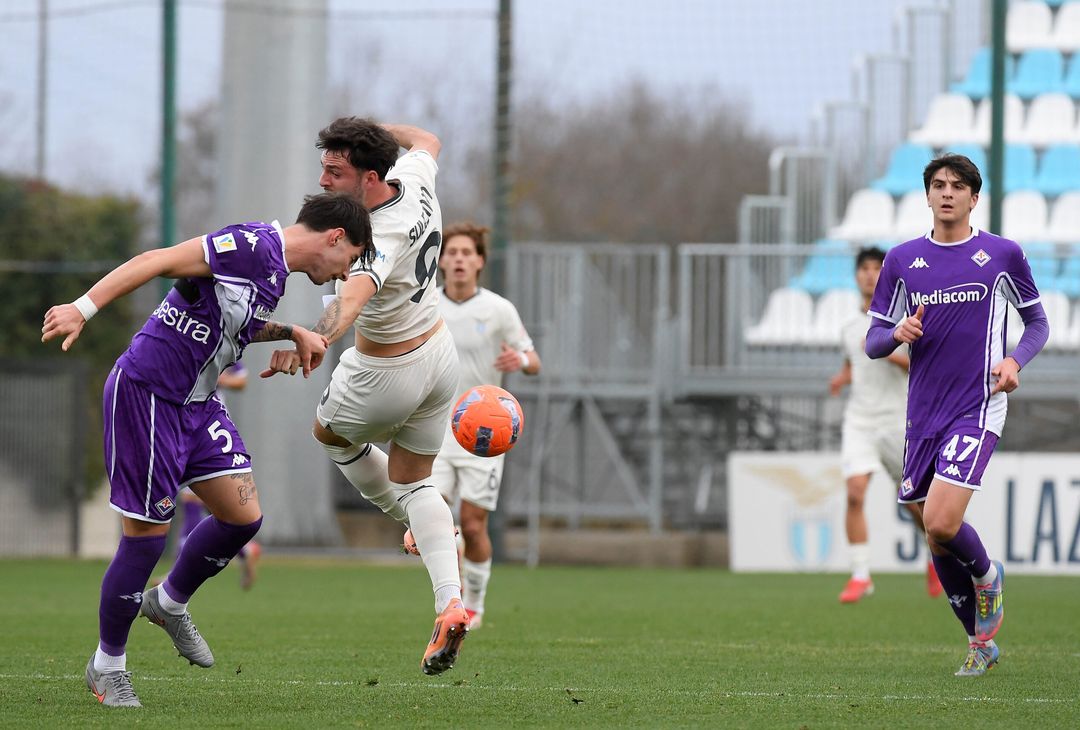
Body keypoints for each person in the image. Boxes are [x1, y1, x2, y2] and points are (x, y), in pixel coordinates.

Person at [42, 192, 373, 708]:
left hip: (196, 403)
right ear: (334, 237)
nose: (341, 273)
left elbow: (235, 323)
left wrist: (294, 331)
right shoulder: (250, 245)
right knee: (146, 539)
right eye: (349, 259)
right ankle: (108, 665)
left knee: (243, 518)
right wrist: (82, 309)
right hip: (149, 394)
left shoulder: (275, 274)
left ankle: (169, 603)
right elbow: (156, 260)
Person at [265, 118, 467, 676]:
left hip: (385, 368)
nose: (324, 181)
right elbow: (428, 139)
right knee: (416, 480)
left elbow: (352, 298)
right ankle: (449, 600)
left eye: (336, 171)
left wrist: (312, 339)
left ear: (370, 177)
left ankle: (416, 521)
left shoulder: (379, 231)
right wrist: (371, 127)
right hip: (438, 355)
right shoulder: (414, 175)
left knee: (329, 434)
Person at [864, 154, 1049, 677]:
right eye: (938, 185)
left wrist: (1014, 360)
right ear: (927, 196)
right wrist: (896, 334)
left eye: (958, 185)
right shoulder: (903, 260)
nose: (948, 192)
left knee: (943, 520)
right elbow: (873, 338)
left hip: (977, 405)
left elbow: (1037, 323)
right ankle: (979, 643)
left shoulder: (1001, 255)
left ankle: (988, 577)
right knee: (934, 533)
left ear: (973, 197)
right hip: (923, 415)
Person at [429, 222, 541, 629]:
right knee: (435, 518)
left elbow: (533, 360)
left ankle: (474, 603)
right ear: (440, 260)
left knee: (474, 525)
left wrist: (521, 362)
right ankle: (450, 601)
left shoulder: (498, 309)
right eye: (451, 252)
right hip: (433, 428)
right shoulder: (425, 304)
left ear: (479, 261)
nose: (458, 258)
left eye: (466, 253)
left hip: (482, 436)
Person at [829, 247, 941, 603]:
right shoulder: (848, 327)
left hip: (896, 421)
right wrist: (842, 378)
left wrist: (888, 349)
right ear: (856, 275)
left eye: (877, 268)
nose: (869, 274)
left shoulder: (902, 321)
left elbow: (917, 365)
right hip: (859, 420)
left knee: (915, 503)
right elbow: (854, 362)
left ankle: (937, 556)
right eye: (864, 268)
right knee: (854, 492)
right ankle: (861, 575)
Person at [175, 362, 262, 590]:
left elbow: (242, 379)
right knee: (212, 506)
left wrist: (219, 379)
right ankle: (244, 551)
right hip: (185, 422)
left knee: (193, 502)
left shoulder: (220, 338)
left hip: (207, 426)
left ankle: (175, 575)